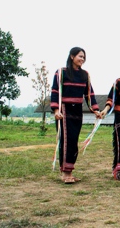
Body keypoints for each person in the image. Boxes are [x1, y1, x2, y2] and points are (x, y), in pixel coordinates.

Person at [50, 47, 101, 184]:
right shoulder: (61, 72)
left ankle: (69, 171)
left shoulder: (85, 75)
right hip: (64, 112)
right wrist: (56, 111)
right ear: (72, 56)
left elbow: (89, 94)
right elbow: (55, 92)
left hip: (77, 111)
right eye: (80, 56)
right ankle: (65, 173)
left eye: (84, 57)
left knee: (74, 141)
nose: (82, 59)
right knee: (66, 141)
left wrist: (95, 110)